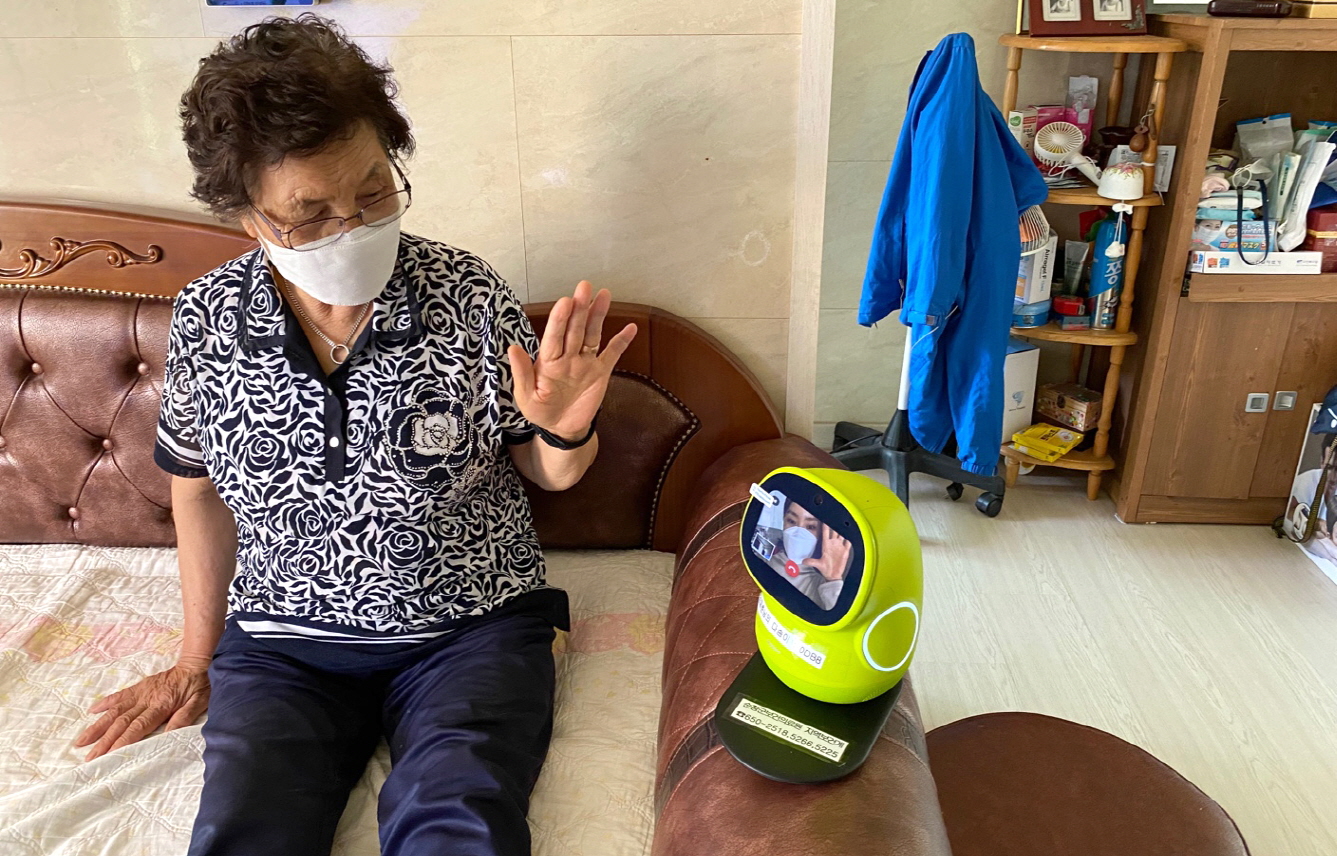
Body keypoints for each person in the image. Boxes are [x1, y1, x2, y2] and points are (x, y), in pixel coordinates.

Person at [72, 14, 636, 856]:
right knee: (244, 833)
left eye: (373, 192)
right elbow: (198, 494)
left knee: (462, 829)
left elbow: (549, 473)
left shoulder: (467, 294)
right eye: (310, 213)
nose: (353, 226)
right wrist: (196, 659)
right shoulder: (207, 318)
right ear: (248, 217)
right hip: (283, 649)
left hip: (468, 633)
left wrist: (565, 429)